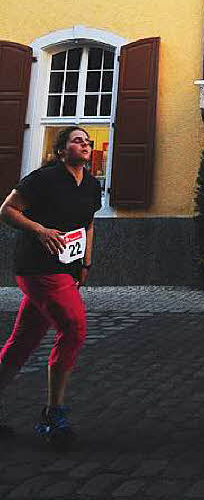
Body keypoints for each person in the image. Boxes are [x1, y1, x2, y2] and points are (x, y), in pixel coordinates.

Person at [0, 126, 101, 443]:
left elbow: (88, 224)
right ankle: (52, 414)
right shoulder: (43, 179)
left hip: (68, 268)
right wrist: (39, 230)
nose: (84, 145)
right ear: (61, 150)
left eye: (87, 141)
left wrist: (85, 262)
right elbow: (7, 210)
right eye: (77, 140)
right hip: (37, 266)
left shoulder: (92, 184)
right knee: (74, 327)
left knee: (23, 341)